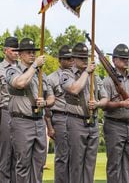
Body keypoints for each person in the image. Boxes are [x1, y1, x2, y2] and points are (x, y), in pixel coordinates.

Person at [6, 38, 55, 183]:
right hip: (21, 121)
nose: (32, 55)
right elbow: (20, 83)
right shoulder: (12, 70)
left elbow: (52, 97)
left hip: (39, 122)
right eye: (28, 52)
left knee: (39, 164)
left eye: (34, 52)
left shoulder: (42, 74)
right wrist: (34, 66)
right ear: (20, 54)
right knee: (23, 164)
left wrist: (45, 102)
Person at [63, 42, 108, 183]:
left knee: (90, 164)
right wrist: (86, 73)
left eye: (86, 58)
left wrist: (98, 104)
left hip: (93, 123)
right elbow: (74, 89)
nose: (85, 60)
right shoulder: (66, 74)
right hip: (76, 122)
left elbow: (105, 98)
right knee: (76, 163)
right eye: (81, 58)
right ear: (74, 59)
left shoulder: (95, 76)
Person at [103, 44, 129, 183]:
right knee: (114, 165)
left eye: (127, 58)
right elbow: (104, 105)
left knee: (128, 165)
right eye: (122, 58)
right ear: (114, 60)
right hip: (114, 125)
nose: (126, 61)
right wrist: (121, 104)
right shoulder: (108, 81)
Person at [0, 36, 18, 183]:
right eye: (13, 50)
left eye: (18, 50)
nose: (16, 53)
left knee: (19, 158)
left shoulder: (22, 68)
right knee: (5, 157)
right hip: (5, 112)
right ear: (5, 50)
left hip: (21, 115)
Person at [45, 45, 73, 183]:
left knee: (76, 156)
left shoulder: (77, 76)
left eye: (72, 59)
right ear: (60, 60)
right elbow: (47, 107)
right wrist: (49, 126)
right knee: (62, 156)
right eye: (67, 59)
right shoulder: (51, 78)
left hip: (75, 118)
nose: (70, 61)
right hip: (60, 117)